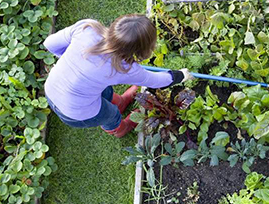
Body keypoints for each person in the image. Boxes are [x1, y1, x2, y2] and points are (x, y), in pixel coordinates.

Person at [43, 14, 192, 137]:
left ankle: (120, 102)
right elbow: (155, 80)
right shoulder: (123, 68)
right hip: (74, 112)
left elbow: (49, 44)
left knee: (105, 90)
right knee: (111, 114)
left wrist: (71, 62)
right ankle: (120, 129)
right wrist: (181, 75)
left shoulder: (88, 28)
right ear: (142, 51)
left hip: (51, 89)